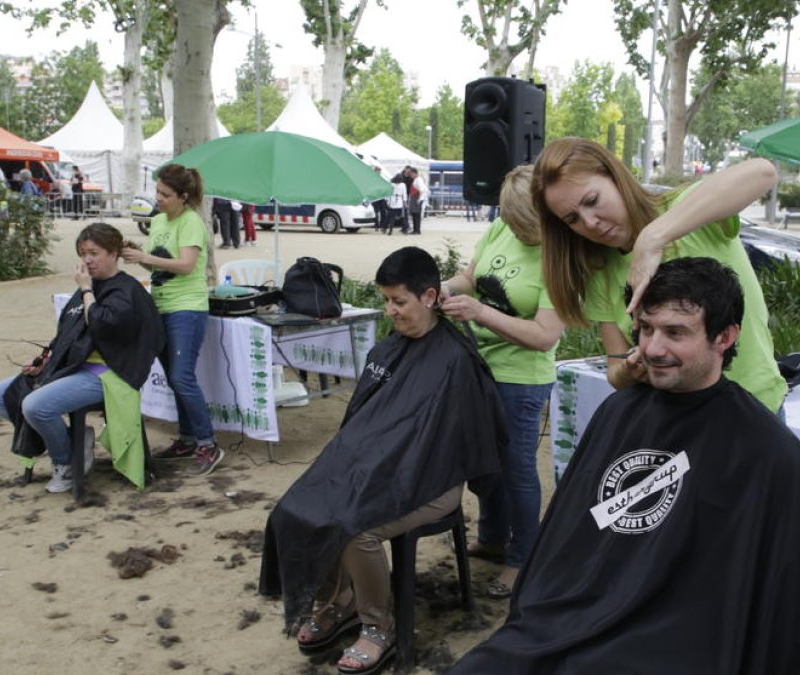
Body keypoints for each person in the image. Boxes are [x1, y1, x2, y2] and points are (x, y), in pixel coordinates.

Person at [449, 257, 800, 674]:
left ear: (725, 336)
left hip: (679, 641)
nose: (653, 348)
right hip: (575, 614)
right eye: (646, 329)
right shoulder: (619, 412)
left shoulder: (766, 449)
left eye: (676, 332)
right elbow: (569, 538)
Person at [261, 247, 505, 674]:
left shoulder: (455, 360)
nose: (390, 311)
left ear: (429, 297)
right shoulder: (390, 350)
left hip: (434, 482)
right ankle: (338, 601)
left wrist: (386, 469)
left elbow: (452, 445)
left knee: (356, 529)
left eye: (399, 301)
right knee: (300, 508)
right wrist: (369, 468)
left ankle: (379, 627)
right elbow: (364, 426)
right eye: (386, 300)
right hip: (383, 471)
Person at [533, 137, 787, 414]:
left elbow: (763, 172)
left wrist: (652, 238)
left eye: (592, 201)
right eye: (572, 219)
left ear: (616, 178)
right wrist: (630, 369)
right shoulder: (601, 270)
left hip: (754, 408)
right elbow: (615, 372)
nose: (590, 222)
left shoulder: (686, 213)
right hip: (675, 418)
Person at [440, 165, 562, 599]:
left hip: (521, 379)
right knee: (484, 466)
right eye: (509, 220)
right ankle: (492, 537)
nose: (515, 230)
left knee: (516, 471)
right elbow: (471, 278)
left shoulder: (561, 257)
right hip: (480, 368)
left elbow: (545, 336)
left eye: (523, 223)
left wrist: (480, 312)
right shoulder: (501, 228)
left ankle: (523, 557)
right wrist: (441, 288)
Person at [0, 223, 164, 493]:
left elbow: (100, 324)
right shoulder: (86, 288)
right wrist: (46, 361)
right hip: (72, 367)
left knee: (35, 406)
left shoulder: (126, 290)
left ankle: (65, 462)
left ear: (114, 253)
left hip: (110, 374)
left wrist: (87, 291)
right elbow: (66, 334)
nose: (87, 260)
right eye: (83, 254)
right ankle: (72, 441)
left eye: (94, 253)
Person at [121, 163, 223, 477]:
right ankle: (188, 438)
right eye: (157, 192)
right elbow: (158, 267)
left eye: (165, 194)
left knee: (181, 377)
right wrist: (138, 256)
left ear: (184, 196)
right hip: (161, 306)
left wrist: (145, 257)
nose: (159, 198)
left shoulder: (191, 221)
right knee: (173, 376)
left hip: (187, 308)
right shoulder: (158, 221)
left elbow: (187, 265)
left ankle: (208, 444)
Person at [408, 167, 428, 234]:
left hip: (417, 198)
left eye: (411, 174)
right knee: (414, 214)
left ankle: (417, 230)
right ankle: (415, 229)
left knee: (416, 215)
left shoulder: (419, 180)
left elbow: (421, 190)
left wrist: (419, 199)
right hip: (415, 198)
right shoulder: (416, 179)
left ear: (414, 173)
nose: (411, 175)